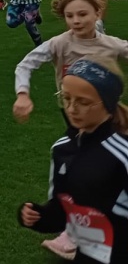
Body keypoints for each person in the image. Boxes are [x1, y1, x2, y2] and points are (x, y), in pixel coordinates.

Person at [18, 57, 128, 263]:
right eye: (66, 98)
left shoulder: (122, 154)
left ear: (108, 104)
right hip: (86, 255)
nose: (72, 109)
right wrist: (37, 216)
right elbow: (62, 211)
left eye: (83, 102)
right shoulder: (61, 149)